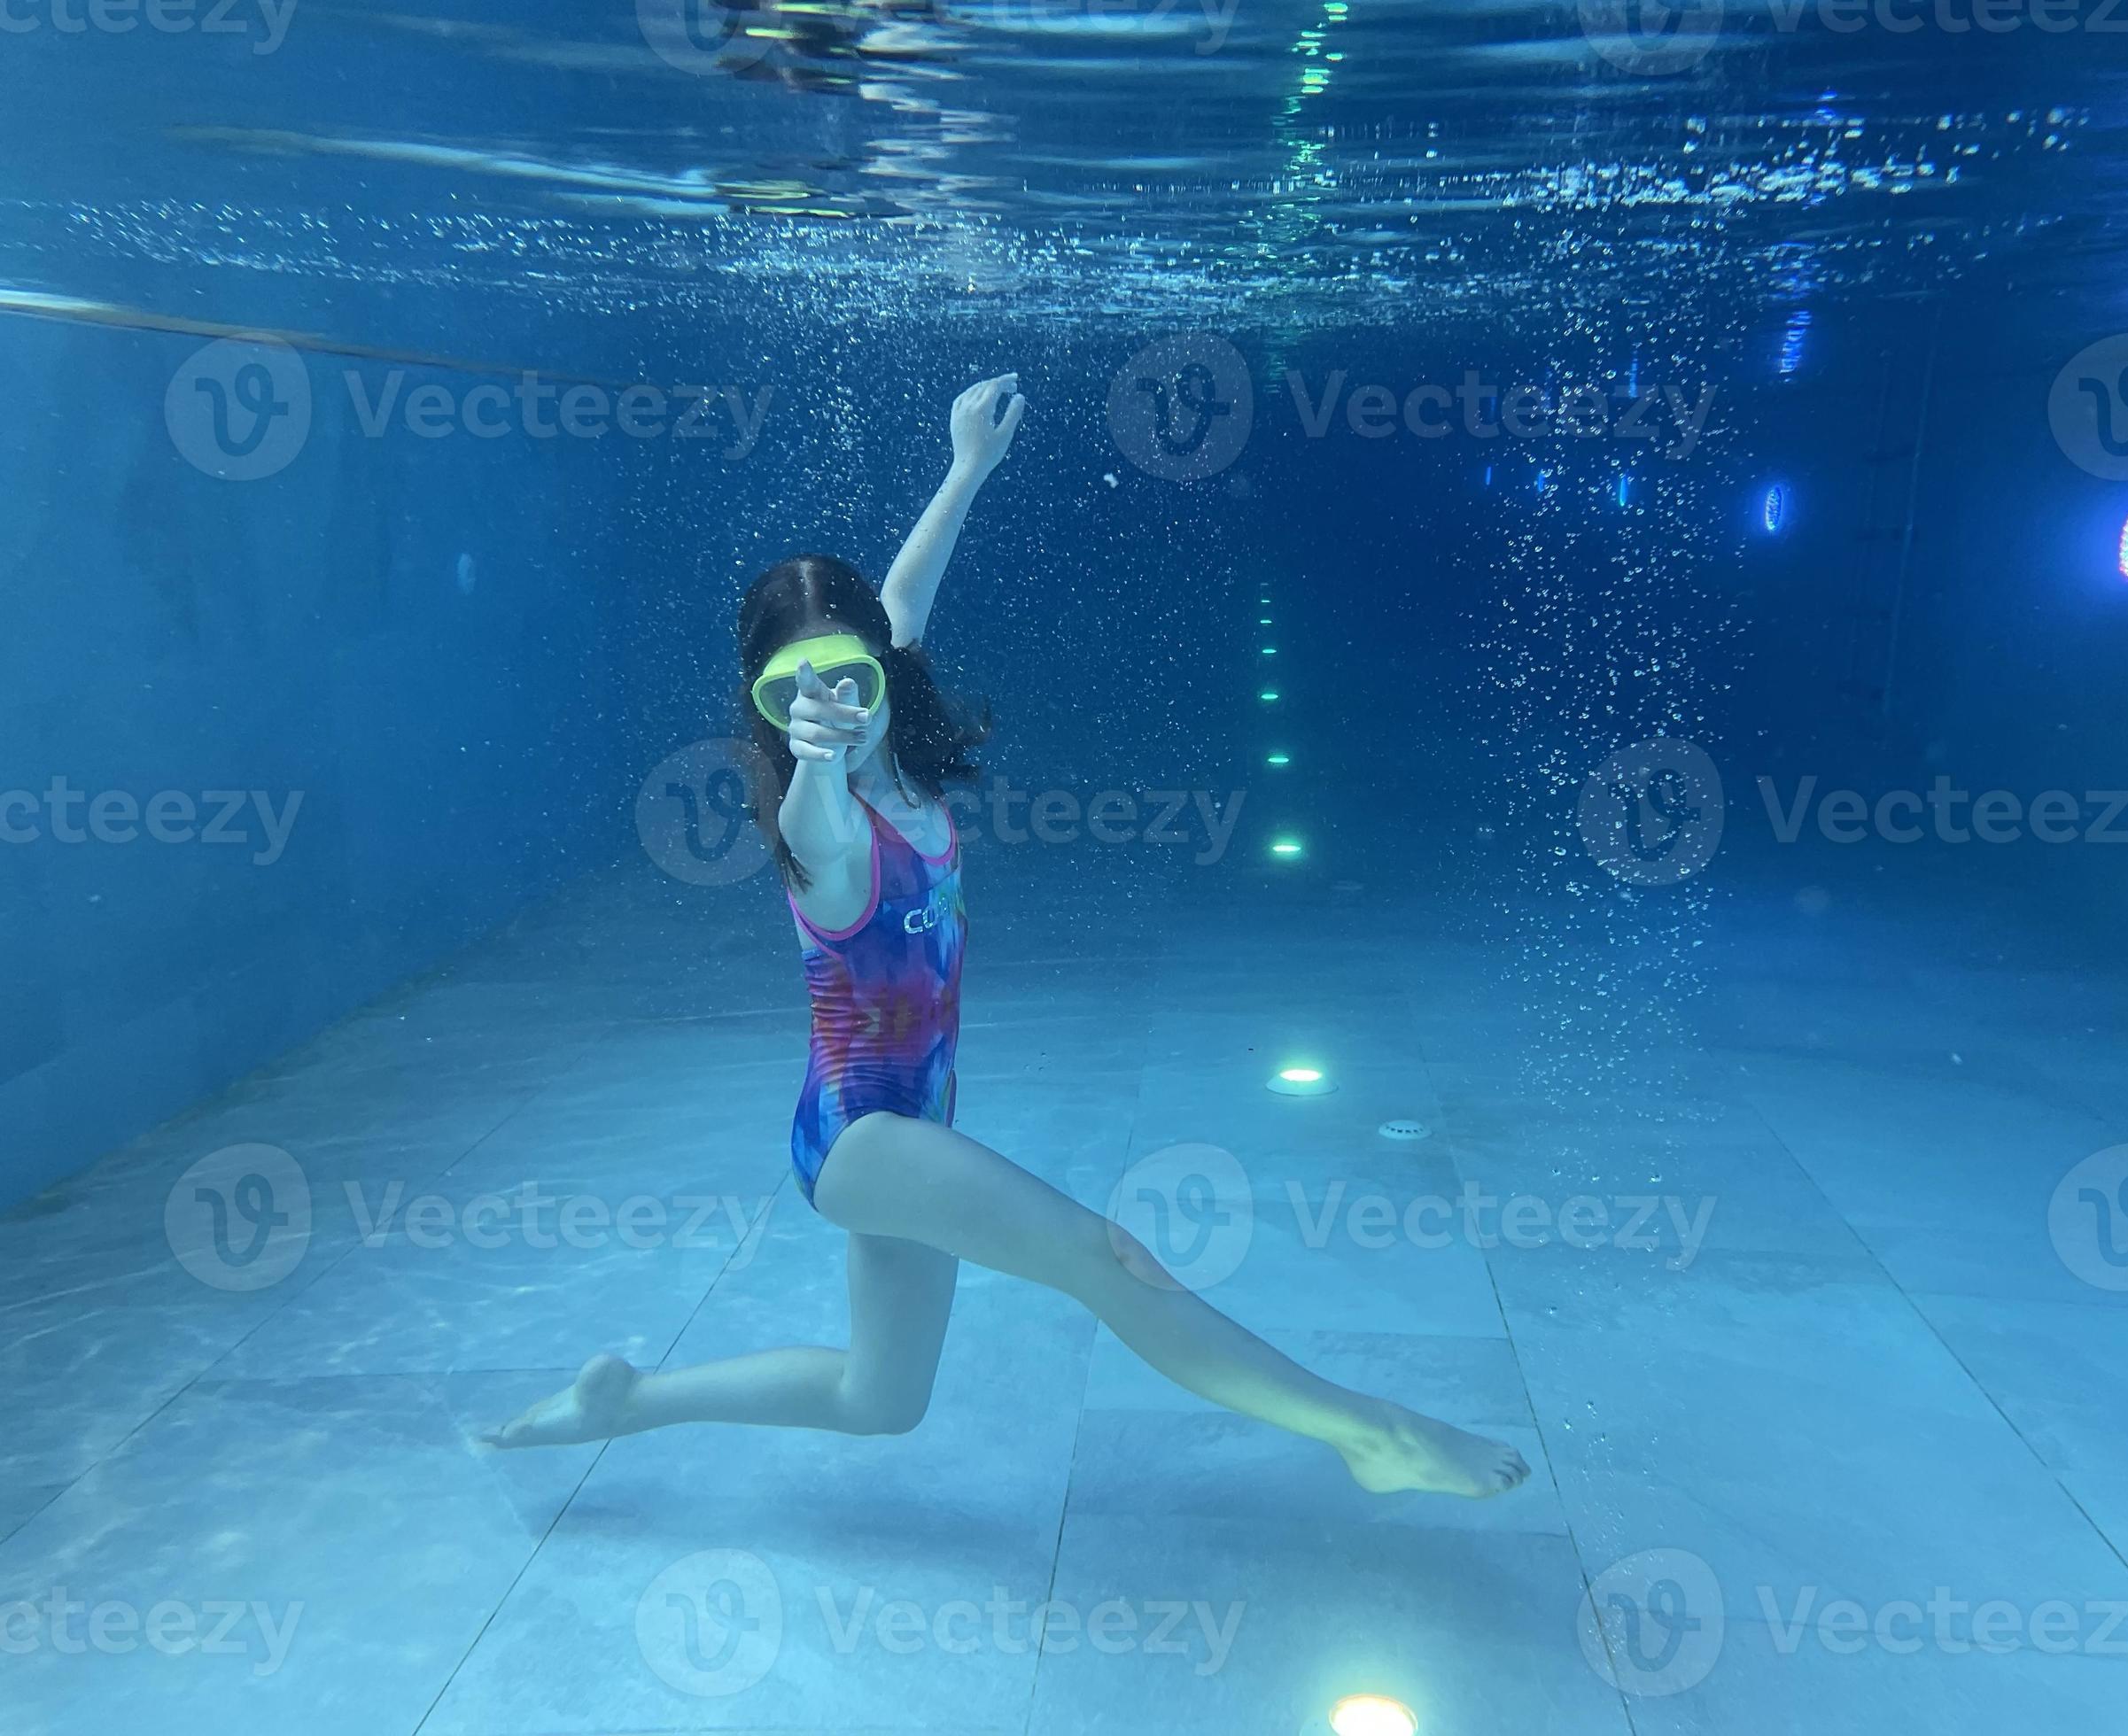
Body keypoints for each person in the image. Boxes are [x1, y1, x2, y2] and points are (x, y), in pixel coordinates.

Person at [485, 375, 1531, 1500]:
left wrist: (966, 465)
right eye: (805, 687)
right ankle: (1370, 1433)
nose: (840, 694)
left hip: (912, 1119)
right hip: (861, 1142)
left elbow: (902, 594)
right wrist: (820, 759)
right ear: (772, 704)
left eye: (855, 670)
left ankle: (626, 1401)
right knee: (1106, 1258)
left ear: (881, 665)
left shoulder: (887, 733)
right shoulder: (825, 825)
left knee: (877, 1402)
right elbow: (812, 823)